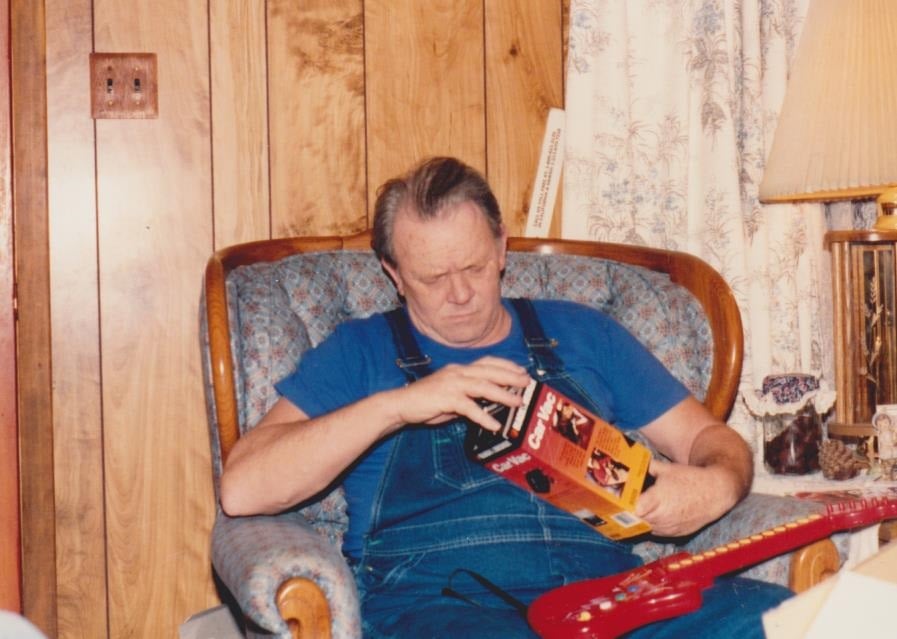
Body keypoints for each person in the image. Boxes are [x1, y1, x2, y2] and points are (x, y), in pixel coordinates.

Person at [219, 157, 791, 638]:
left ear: (500, 248)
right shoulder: (359, 351)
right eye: (432, 278)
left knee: (788, 620)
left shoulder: (584, 333)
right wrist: (396, 407)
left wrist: (719, 481)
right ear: (393, 272)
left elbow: (708, 438)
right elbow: (243, 488)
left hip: (609, 600)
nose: (460, 294)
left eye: (473, 266)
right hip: (443, 608)